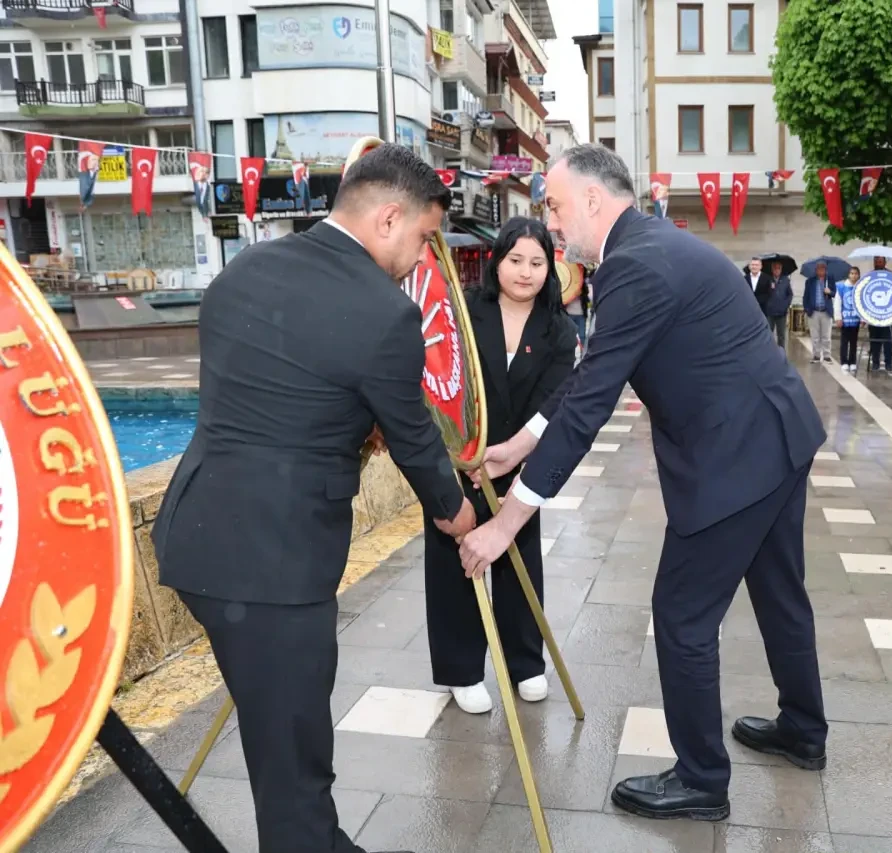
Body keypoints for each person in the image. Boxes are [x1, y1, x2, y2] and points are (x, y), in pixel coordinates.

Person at [457, 144, 828, 822]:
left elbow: (593, 402)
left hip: (735, 457)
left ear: (594, 200)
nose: (554, 224)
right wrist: (519, 442)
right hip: (778, 434)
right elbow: (591, 374)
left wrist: (507, 519)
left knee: (683, 615)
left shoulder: (636, 264)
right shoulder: (648, 248)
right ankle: (804, 729)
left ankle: (701, 778)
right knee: (779, 592)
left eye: (558, 207)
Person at [152, 144, 476, 853]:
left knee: (283, 734)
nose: (423, 259)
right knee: (294, 756)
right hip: (275, 562)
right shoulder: (386, 313)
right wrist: (458, 514)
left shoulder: (244, 270)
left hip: (198, 534)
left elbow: (276, 393)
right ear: (389, 217)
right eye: (424, 238)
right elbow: (415, 438)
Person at [423, 217, 577, 713]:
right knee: (455, 560)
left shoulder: (559, 328)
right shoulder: (465, 312)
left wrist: (512, 450)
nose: (526, 272)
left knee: (519, 561)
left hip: (519, 461)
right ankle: (461, 669)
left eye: (537, 262)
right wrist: (461, 449)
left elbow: (556, 399)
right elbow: (442, 377)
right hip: (460, 457)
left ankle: (525, 664)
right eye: (516, 260)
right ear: (497, 262)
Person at [803, 260, 835, 363]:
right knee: (815, 336)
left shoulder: (830, 280)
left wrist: (829, 292)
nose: (821, 270)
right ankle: (816, 355)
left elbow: (834, 293)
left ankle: (826, 356)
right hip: (814, 311)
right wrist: (807, 309)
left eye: (823, 268)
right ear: (816, 270)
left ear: (826, 270)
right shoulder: (810, 281)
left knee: (826, 336)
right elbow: (806, 297)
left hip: (826, 311)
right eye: (819, 269)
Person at [834, 265, 861, 372]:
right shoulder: (842, 287)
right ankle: (844, 361)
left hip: (856, 319)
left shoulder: (860, 287)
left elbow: (863, 304)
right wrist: (838, 317)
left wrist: (863, 319)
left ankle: (852, 361)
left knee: (854, 342)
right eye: (852, 273)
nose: (853, 276)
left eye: (856, 273)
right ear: (849, 275)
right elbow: (837, 303)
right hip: (845, 319)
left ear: (858, 275)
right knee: (844, 342)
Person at [761, 258, 793, 347]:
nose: (777, 270)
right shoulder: (767, 279)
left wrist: (785, 305)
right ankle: (769, 353)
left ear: (781, 269)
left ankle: (781, 354)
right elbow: (763, 294)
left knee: (781, 335)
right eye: (775, 268)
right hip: (770, 312)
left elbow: (790, 295)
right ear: (772, 269)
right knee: (768, 334)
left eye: (778, 268)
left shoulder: (785, 280)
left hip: (781, 313)